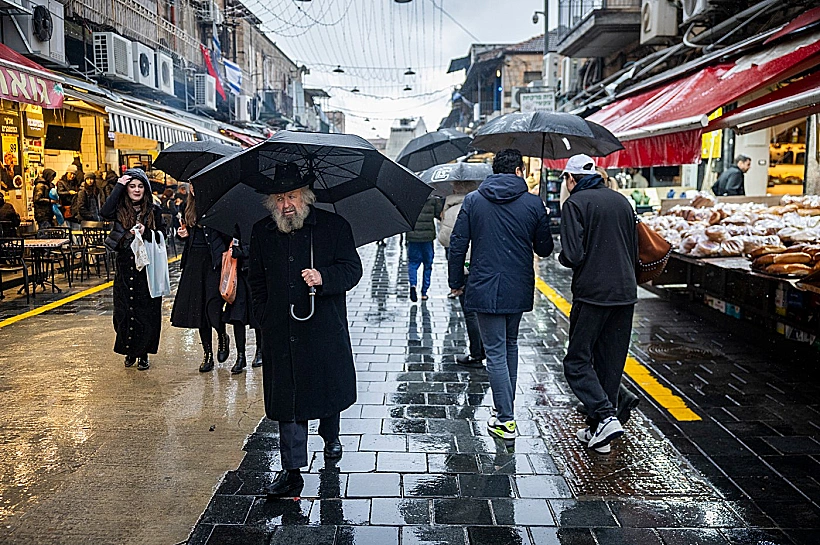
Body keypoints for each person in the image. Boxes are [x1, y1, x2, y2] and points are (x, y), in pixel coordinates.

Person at [249, 163, 362, 498]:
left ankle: (331, 437)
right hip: (281, 333)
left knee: (326, 392)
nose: (287, 204)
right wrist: (264, 317)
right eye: (280, 197)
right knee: (289, 402)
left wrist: (324, 277)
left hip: (323, 329)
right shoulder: (261, 232)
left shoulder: (334, 226)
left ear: (306, 197)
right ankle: (292, 472)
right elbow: (256, 281)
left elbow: (352, 270)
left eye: (293, 196)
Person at [448, 148, 554, 440]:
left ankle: (505, 418)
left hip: (483, 285)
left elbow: (457, 244)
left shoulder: (474, 200)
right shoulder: (533, 204)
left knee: (495, 351)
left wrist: (456, 280)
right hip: (518, 285)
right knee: (509, 346)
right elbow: (544, 249)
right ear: (519, 171)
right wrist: (542, 219)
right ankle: (506, 412)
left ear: (494, 172)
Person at [558, 154, 638, 455]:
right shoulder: (621, 201)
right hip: (626, 292)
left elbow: (573, 255)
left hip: (593, 293)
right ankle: (599, 430)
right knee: (609, 361)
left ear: (570, 179)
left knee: (577, 361)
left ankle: (605, 416)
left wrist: (561, 257)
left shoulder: (575, 205)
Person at [100, 168, 165, 371]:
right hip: (125, 265)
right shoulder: (119, 207)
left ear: (146, 189)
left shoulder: (153, 210)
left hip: (147, 268)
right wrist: (119, 185)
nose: (136, 190)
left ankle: (143, 353)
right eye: (132, 186)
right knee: (123, 310)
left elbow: (163, 235)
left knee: (146, 311)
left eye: (140, 186)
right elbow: (104, 212)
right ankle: (129, 350)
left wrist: (148, 232)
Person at [170, 189, 232, 373]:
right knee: (198, 310)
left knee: (212, 307)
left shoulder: (218, 205)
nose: (194, 187)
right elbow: (184, 237)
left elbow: (227, 234)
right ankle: (208, 354)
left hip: (213, 263)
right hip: (194, 263)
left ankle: (222, 335)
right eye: (191, 183)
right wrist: (182, 235)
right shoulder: (187, 206)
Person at [438, 181, 485, 367]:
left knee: (470, 313)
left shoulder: (451, 210)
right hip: (482, 265)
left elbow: (445, 239)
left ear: (455, 189)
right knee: (482, 311)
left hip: (463, 267)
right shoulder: (481, 205)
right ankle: (485, 347)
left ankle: (476, 353)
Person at [406, 195, 443, 302]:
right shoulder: (432, 198)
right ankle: (424, 292)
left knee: (413, 263)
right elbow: (438, 214)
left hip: (413, 236)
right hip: (427, 237)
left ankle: (413, 285)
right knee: (428, 264)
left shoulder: (409, 197)